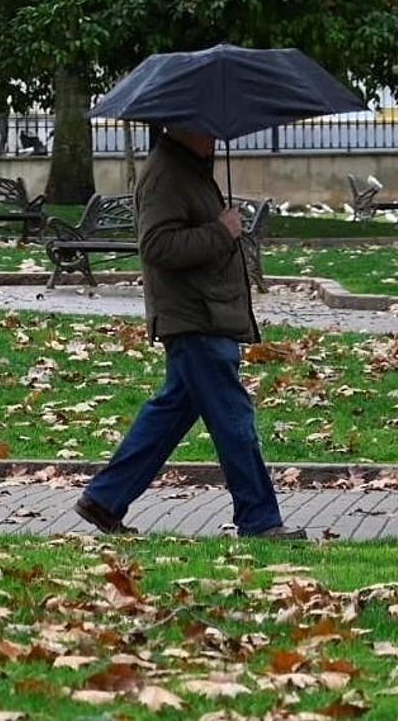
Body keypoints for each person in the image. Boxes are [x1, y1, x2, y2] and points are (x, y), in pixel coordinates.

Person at [74, 127, 306, 540]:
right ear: (183, 125)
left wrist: (220, 227)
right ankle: (260, 520)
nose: (215, 135)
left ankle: (104, 500)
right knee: (234, 419)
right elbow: (157, 246)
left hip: (204, 313)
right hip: (195, 318)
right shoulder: (166, 173)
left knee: (170, 413)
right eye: (207, 128)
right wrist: (222, 231)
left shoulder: (189, 169)